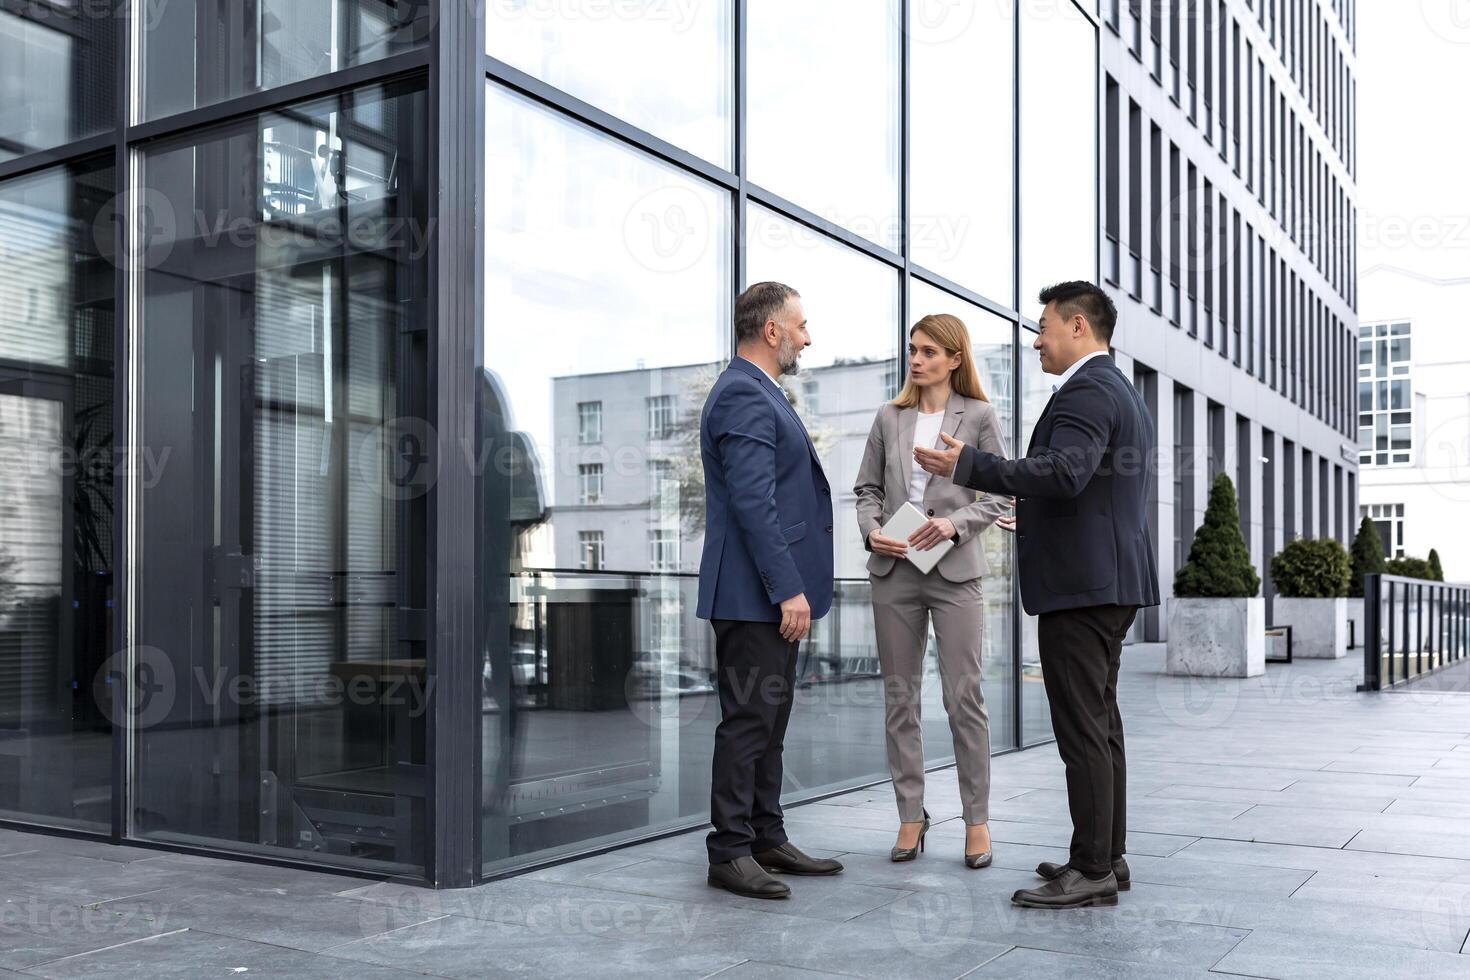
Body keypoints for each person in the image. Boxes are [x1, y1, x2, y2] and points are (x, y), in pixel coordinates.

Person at [914, 281, 1160, 909]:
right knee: (1101, 725)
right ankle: (1106, 857)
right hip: (1105, 579)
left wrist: (967, 465)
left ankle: (1094, 868)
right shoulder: (1118, 388)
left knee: (1082, 729)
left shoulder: (1086, 389)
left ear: (1078, 326)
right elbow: (1092, 487)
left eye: (1044, 327)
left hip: (1082, 589)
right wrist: (1043, 516)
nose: (1036, 340)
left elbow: (1065, 472)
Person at [696, 281, 844, 899]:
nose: (808, 337)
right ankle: (729, 851)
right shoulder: (743, 394)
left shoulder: (761, 392)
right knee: (749, 723)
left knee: (771, 722)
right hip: (752, 598)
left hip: (768, 597)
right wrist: (788, 589)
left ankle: (765, 835)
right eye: (802, 325)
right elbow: (755, 504)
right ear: (772, 330)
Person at [853, 314, 1010, 869]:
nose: (916, 360)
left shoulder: (982, 417)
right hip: (895, 571)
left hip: (954, 573)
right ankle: (911, 816)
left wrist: (954, 524)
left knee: (963, 698)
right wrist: (872, 529)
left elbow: (1001, 494)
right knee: (900, 698)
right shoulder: (887, 417)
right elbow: (866, 489)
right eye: (912, 350)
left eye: (927, 352)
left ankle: (977, 821)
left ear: (954, 359)